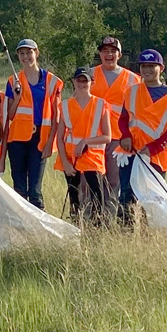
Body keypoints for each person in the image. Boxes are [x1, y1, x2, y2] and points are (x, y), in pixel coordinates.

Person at [116, 49, 167, 227]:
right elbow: (123, 119)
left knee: (152, 201)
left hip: (155, 157)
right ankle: (124, 236)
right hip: (130, 153)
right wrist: (125, 136)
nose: (147, 69)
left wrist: (152, 149)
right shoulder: (131, 92)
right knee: (126, 196)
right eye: (143, 66)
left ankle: (149, 239)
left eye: (151, 66)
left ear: (161, 68)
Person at [0, 39, 62, 210]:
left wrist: (50, 142)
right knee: (19, 188)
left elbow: (56, 116)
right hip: (17, 140)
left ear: (36, 52)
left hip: (40, 139)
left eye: (29, 52)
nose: (26, 56)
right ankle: (21, 226)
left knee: (35, 190)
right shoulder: (13, 81)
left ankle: (38, 228)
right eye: (22, 53)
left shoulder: (51, 81)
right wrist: (17, 97)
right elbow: (10, 114)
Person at [54, 67, 113, 226]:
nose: (82, 83)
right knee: (74, 195)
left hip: (92, 157)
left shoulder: (101, 105)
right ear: (73, 82)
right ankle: (75, 226)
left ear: (92, 82)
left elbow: (108, 137)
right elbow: (59, 138)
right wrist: (65, 162)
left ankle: (97, 227)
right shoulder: (65, 106)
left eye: (85, 80)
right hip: (71, 157)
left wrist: (86, 141)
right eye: (78, 80)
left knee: (96, 195)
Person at [89, 37, 140, 199]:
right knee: (91, 179)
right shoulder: (89, 74)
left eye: (113, 51)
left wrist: (131, 137)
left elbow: (137, 111)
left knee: (113, 181)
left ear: (120, 55)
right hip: (93, 136)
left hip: (119, 137)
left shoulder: (133, 79)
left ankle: (108, 219)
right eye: (105, 51)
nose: (109, 54)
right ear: (99, 53)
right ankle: (88, 219)